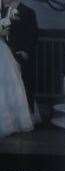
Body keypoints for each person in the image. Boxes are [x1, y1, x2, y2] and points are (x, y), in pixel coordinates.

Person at [0, 0, 34, 138]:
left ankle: (11, 121)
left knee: (9, 83)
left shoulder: (24, 11)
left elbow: (6, 31)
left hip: (4, 50)